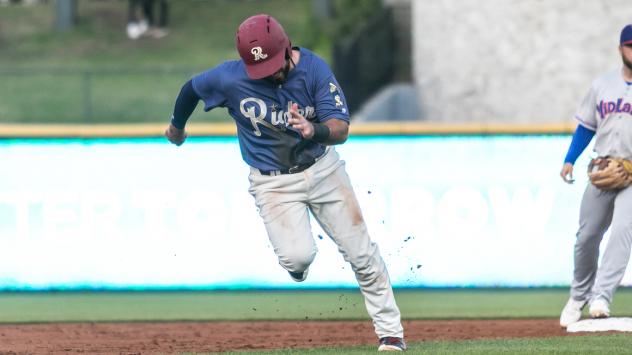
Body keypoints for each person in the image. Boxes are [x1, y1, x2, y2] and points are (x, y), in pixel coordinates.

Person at [164, 14, 406, 351]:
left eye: (275, 65)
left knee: (361, 253)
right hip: (272, 183)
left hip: (322, 170)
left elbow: (341, 128)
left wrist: (315, 130)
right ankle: (298, 263)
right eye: (260, 69)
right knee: (298, 258)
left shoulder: (314, 70)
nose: (270, 73)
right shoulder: (230, 78)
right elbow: (191, 89)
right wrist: (177, 127)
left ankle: (391, 334)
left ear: (286, 46)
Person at [559, 24, 632, 327]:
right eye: (630, 46)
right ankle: (579, 295)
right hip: (603, 168)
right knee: (586, 236)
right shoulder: (602, 85)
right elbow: (586, 126)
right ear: (620, 49)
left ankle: (602, 296)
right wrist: (569, 160)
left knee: (623, 231)